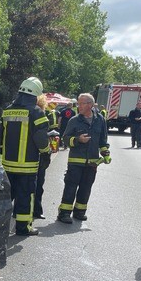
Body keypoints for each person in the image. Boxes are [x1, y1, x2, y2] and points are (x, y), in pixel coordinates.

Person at [1, 77, 50, 236]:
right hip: (27, 166)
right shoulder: (36, 112)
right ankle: (23, 228)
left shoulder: (7, 110)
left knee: (6, 197)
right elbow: (41, 139)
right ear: (36, 94)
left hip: (7, 164)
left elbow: (0, 136)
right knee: (25, 196)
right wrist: (46, 152)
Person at [57, 93, 111, 223]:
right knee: (70, 187)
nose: (79, 106)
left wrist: (105, 153)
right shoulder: (74, 120)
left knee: (86, 188)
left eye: (82, 103)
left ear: (90, 105)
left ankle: (79, 212)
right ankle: (64, 213)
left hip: (92, 162)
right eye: (78, 103)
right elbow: (65, 138)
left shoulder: (100, 120)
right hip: (75, 162)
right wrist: (77, 140)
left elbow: (103, 140)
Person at [33, 95, 56, 219]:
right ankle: (36, 211)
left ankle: (34, 210)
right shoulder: (38, 114)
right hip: (38, 156)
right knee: (38, 185)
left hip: (25, 158)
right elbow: (40, 138)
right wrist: (47, 152)